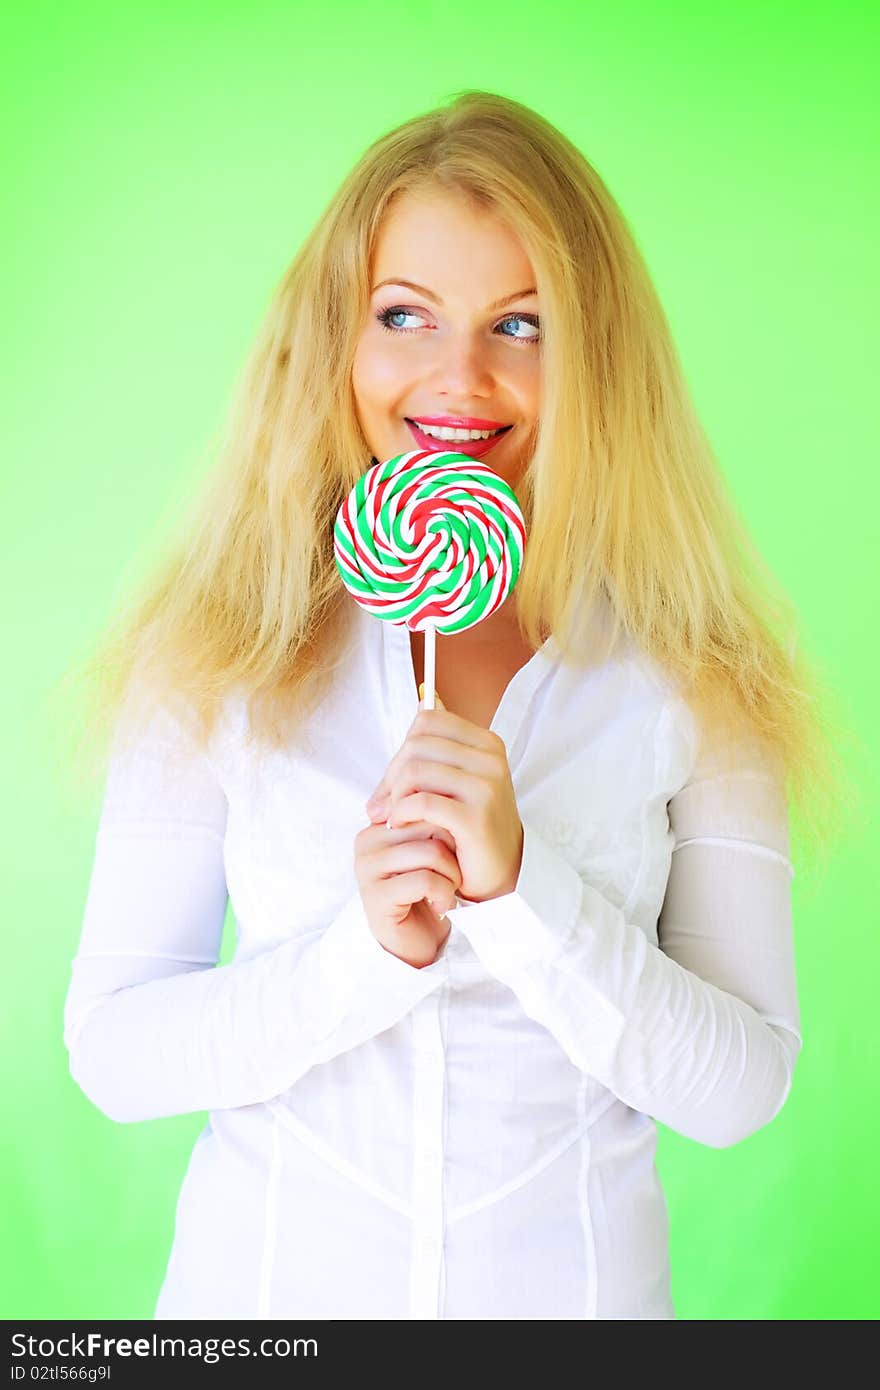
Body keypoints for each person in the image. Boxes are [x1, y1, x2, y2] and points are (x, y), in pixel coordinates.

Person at [61, 90, 845, 1320]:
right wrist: (361, 956)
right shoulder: (215, 641)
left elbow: (739, 1086)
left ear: (598, 350)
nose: (457, 376)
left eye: (520, 323)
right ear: (337, 338)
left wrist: (522, 890)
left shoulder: (702, 657)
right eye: (403, 314)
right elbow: (114, 1052)